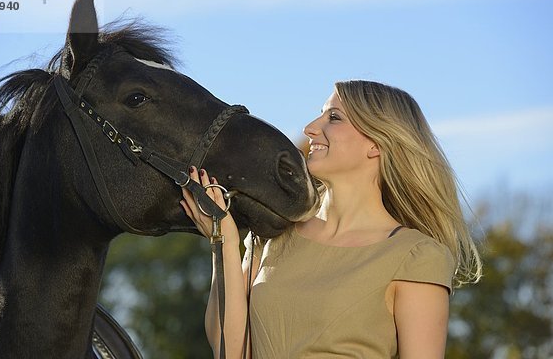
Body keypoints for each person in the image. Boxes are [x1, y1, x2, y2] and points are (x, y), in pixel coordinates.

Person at [180, 80, 482, 359]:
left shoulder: (416, 255)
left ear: (377, 144)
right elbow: (230, 351)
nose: (311, 128)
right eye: (320, 115)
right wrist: (223, 241)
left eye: (334, 118)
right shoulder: (273, 234)